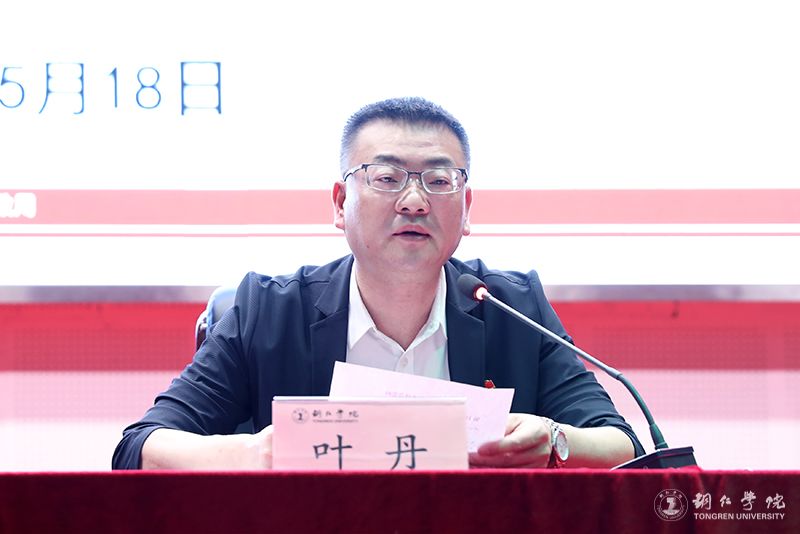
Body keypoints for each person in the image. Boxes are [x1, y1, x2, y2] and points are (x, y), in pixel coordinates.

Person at [112, 97, 644, 470]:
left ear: (466, 208)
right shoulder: (269, 312)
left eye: (438, 180)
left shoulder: (512, 307)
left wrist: (553, 439)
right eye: (386, 178)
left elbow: (625, 446)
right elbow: (139, 449)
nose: (414, 201)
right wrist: (257, 454)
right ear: (340, 202)